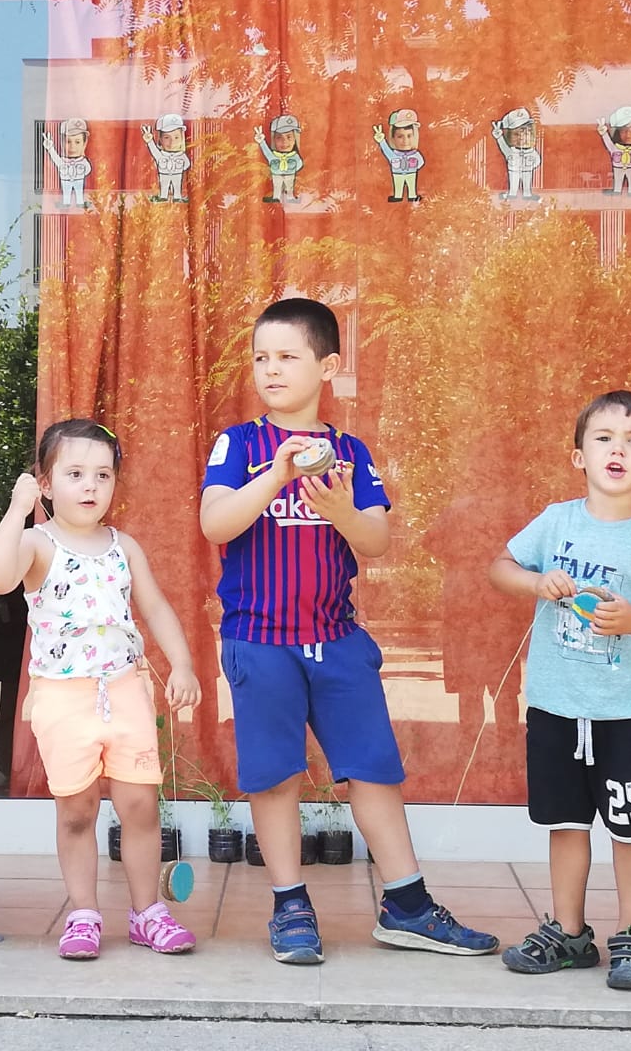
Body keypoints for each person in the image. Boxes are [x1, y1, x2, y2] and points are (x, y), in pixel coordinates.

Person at [199, 297, 496, 965]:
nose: (270, 369)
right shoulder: (239, 444)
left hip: (336, 639)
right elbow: (215, 523)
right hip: (259, 641)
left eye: (287, 356)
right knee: (275, 777)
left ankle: (407, 906)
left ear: (327, 366)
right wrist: (275, 475)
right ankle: (290, 904)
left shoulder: (351, 452)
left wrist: (338, 509)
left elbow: (377, 539)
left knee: (373, 770)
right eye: (261, 358)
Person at [489, 390, 631, 990]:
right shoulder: (556, 521)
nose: (617, 450)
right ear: (579, 455)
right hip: (555, 707)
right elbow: (499, 568)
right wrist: (535, 582)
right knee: (566, 823)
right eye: (604, 438)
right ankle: (568, 932)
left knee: (630, 828)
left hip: (625, 714)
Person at [0, 419, 201, 959]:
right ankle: (83, 913)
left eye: (103, 475)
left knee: (139, 805)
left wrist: (182, 664)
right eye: (75, 473)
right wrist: (17, 511)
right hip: (62, 697)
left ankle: (148, 912)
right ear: (46, 483)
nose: (90, 485)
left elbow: (154, 607)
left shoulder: (124, 546)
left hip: (125, 690)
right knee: (77, 810)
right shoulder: (37, 542)